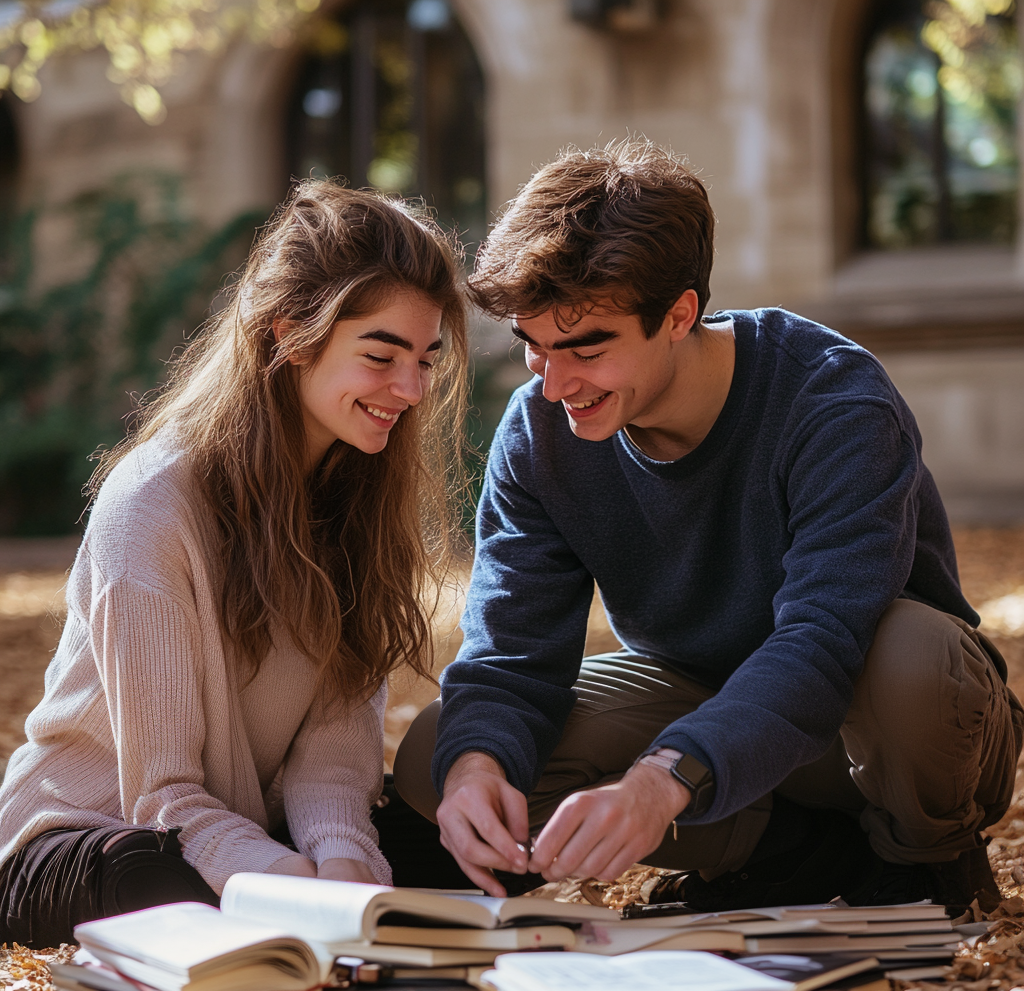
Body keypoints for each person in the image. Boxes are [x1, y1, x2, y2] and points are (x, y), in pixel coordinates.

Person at [393, 139, 1023, 911]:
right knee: (442, 748)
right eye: (534, 347)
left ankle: (924, 866)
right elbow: (512, 654)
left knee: (911, 657)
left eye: (587, 346)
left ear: (679, 314)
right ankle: (796, 862)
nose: (554, 384)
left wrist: (664, 780)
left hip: (880, 721)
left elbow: (823, 643)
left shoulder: (833, 403)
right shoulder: (541, 434)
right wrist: (477, 772)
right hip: (701, 707)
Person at [0, 180, 469, 946]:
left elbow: (332, 756)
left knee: (468, 848)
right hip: (98, 832)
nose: (410, 390)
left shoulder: (356, 498)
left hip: (250, 832)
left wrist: (344, 866)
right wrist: (294, 888)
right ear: (288, 335)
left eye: (424, 360)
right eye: (381, 355)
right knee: (146, 879)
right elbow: (165, 798)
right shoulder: (154, 504)